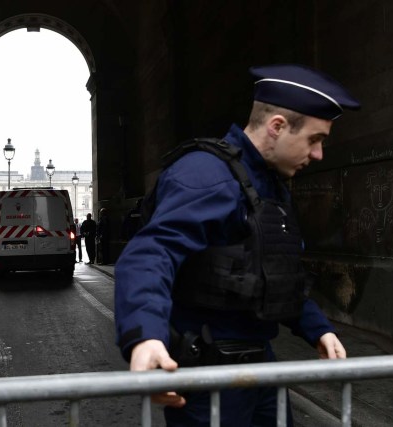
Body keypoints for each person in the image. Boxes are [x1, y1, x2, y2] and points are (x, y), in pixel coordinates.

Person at [114, 64, 360, 426]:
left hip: (260, 367)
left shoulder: (270, 185)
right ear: (277, 126)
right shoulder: (207, 175)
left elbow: (272, 272)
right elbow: (151, 254)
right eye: (314, 139)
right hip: (211, 377)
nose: (319, 154)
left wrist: (317, 328)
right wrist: (145, 337)